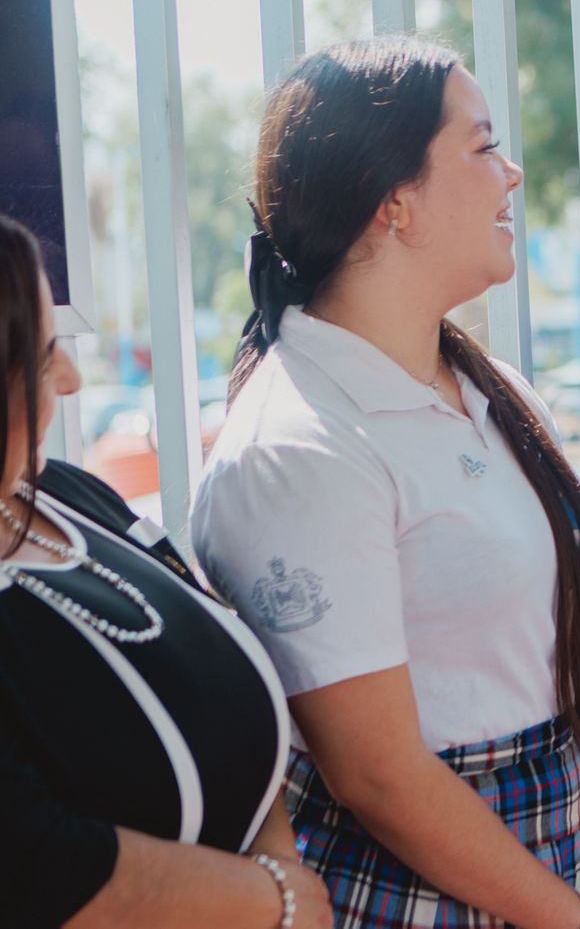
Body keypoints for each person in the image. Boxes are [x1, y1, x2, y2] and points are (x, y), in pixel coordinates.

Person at [190, 37, 580, 929]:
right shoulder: (297, 448)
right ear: (395, 203)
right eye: (484, 146)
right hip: (413, 898)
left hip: (550, 878)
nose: (514, 174)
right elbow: (378, 776)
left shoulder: (494, 390)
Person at [0, 213, 331, 929]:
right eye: (43, 349)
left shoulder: (64, 490)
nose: (71, 374)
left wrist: (280, 863)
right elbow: (41, 864)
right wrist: (279, 903)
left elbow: (220, 648)